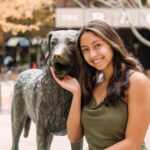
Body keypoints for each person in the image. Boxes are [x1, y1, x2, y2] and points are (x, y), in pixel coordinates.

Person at [50, 20, 150, 150]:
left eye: (97, 45)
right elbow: (74, 136)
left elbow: (133, 144)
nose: (92, 54)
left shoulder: (136, 81)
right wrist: (76, 92)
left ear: (112, 43)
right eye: (85, 50)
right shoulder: (90, 84)